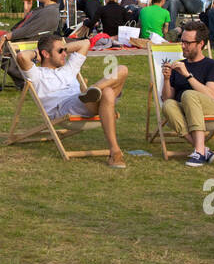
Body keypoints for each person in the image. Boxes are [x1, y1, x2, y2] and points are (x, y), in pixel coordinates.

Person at [13, 34, 130, 168]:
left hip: (84, 102)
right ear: (45, 54)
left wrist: (61, 48)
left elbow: (85, 43)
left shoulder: (68, 69)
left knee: (122, 70)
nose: (65, 54)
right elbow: (22, 57)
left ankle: (94, 90)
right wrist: (36, 53)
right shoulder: (37, 74)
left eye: (65, 51)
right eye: (60, 51)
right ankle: (115, 151)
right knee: (108, 93)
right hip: (63, 107)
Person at [160, 20, 214, 166]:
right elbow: (167, 98)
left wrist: (188, 76)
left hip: (208, 115)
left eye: (187, 43)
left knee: (188, 94)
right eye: (182, 41)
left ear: (200, 44)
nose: (183, 46)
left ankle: (199, 151)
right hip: (185, 115)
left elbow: (210, 94)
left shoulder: (213, 66)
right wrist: (166, 79)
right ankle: (202, 150)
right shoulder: (179, 65)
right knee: (168, 105)